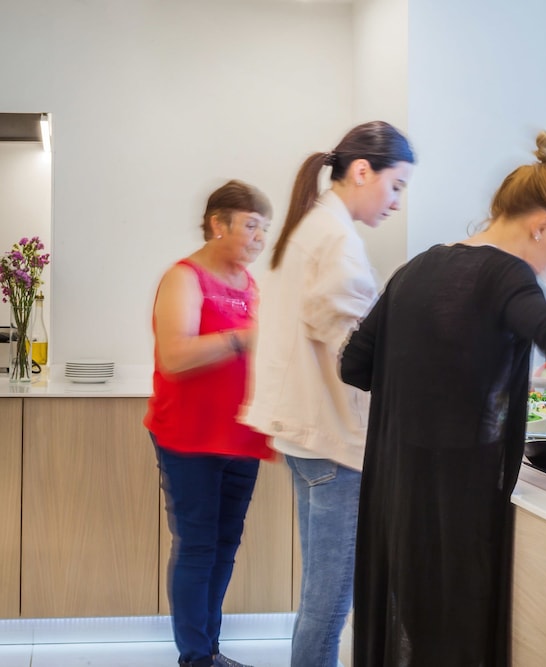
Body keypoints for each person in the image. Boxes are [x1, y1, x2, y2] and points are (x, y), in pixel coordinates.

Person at [340, 132, 546, 666]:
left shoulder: (418, 267)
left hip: (399, 493)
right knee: (457, 642)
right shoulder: (506, 275)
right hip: (459, 498)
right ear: (542, 225)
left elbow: (354, 364)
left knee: (420, 636)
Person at [240, 121, 415, 667]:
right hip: (332, 442)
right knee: (330, 597)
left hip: (309, 437)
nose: (397, 202)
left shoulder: (316, 226)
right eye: (396, 186)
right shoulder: (334, 238)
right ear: (362, 171)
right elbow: (355, 348)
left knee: (323, 591)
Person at [144, 180, 273, 667]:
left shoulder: (250, 284)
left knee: (224, 545)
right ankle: (196, 658)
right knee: (198, 546)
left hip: (240, 435)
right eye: (252, 226)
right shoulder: (185, 277)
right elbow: (175, 356)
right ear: (218, 223)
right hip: (189, 436)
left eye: (264, 229)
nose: (260, 238)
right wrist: (244, 337)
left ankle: (209, 650)